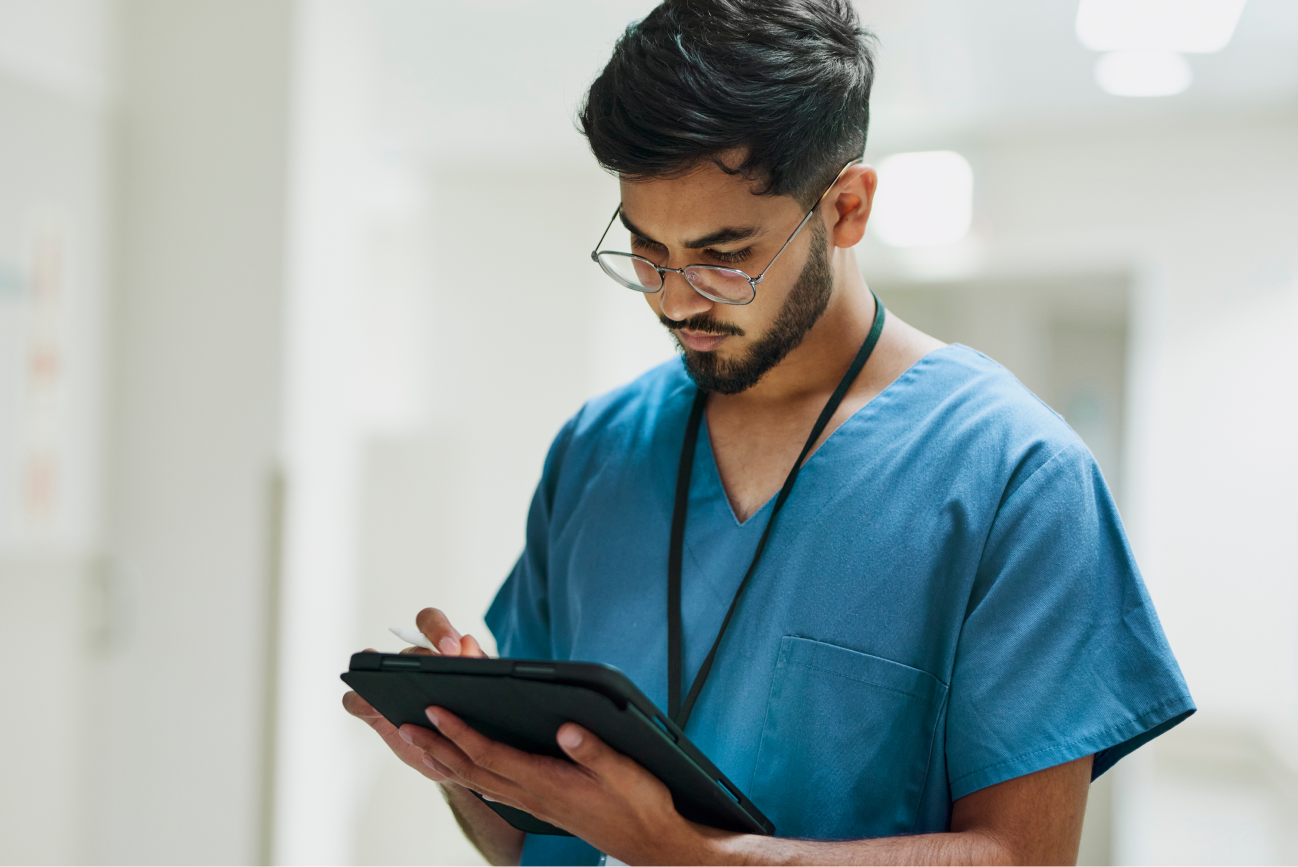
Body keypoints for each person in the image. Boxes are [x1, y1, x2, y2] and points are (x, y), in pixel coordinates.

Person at [343, 1, 1194, 865]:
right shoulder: (599, 449)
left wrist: (694, 855)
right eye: (647, 251)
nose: (676, 299)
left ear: (847, 209)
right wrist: (462, 762)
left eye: (723, 256)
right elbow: (535, 842)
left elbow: (1024, 856)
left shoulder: (1013, 474)